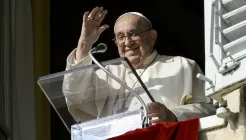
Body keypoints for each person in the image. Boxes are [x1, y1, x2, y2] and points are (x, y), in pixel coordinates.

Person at [62, 6, 216, 123]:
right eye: (120, 37)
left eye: (133, 34)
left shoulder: (182, 66)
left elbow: (209, 109)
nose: (127, 42)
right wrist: (84, 44)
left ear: (151, 37)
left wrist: (172, 115)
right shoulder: (105, 73)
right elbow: (75, 95)